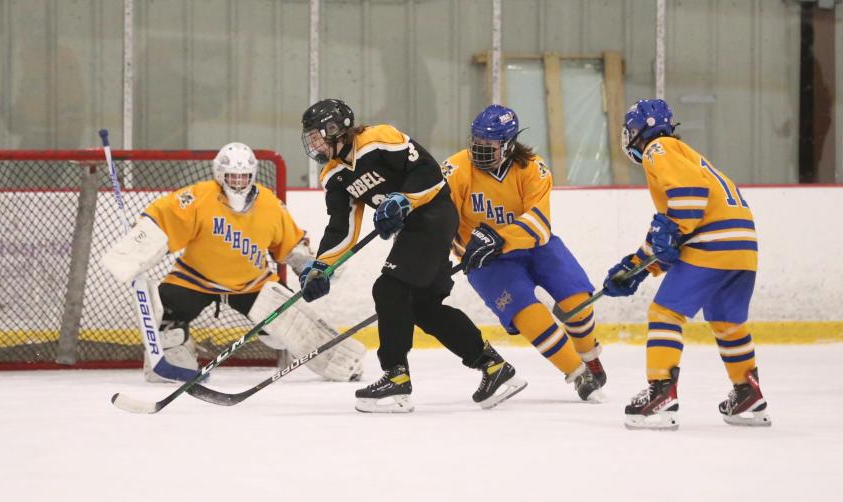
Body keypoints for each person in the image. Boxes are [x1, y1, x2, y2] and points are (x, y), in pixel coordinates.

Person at [298, 98, 526, 413]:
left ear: (337, 129)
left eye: (318, 136)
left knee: (389, 288)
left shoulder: (380, 139)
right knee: (423, 307)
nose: (315, 144)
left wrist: (403, 199)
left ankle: (396, 378)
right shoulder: (334, 175)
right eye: (311, 138)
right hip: (414, 230)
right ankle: (494, 368)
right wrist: (321, 267)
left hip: (435, 215)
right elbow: (342, 228)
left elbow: (430, 173)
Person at [100, 142, 365, 383]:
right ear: (220, 174)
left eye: (244, 176)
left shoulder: (269, 204)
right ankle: (169, 360)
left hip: (252, 282)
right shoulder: (198, 198)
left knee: (292, 322)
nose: (238, 182)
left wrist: (308, 265)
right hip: (196, 278)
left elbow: (290, 243)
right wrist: (138, 243)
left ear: (252, 175)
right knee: (165, 307)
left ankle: (339, 362)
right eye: (232, 176)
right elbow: (163, 218)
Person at [603, 99, 771, 430]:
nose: (631, 139)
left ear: (642, 131)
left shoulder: (660, 148)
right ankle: (748, 394)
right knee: (727, 322)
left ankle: (661, 394)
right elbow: (675, 232)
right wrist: (636, 268)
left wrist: (665, 241)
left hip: (711, 243)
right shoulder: (689, 157)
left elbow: (687, 206)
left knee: (665, 313)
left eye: (632, 132)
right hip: (742, 248)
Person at [442, 104, 605, 402]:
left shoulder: (532, 168)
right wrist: (437, 259)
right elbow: (439, 217)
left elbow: (539, 224)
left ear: (509, 145)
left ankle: (588, 354)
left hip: (535, 247)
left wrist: (499, 239)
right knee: (527, 313)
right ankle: (578, 374)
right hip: (486, 262)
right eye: (476, 142)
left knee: (577, 302)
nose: (479, 150)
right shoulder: (456, 169)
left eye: (488, 146)